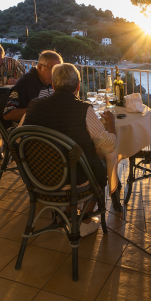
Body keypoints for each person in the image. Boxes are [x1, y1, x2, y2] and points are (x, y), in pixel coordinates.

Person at [23, 63, 115, 236]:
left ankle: (67, 212)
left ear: (53, 84)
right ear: (78, 86)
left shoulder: (34, 105)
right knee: (99, 161)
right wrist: (112, 124)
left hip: (38, 178)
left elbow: (18, 137)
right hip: (72, 181)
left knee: (71, 158)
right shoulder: (83, 109)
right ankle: (84, 220)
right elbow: (109, 145)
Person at [3, 50, 61, 124]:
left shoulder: (57, 82)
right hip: (28, 128)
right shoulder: (25, 83)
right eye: (52, 69)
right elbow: (8, 114)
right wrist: (40, 111)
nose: (56, 74)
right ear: (40, 67)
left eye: (58, 70)